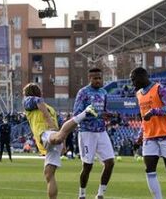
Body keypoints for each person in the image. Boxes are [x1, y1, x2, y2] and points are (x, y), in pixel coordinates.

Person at [22, 83, 97, 199]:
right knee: (49, 174)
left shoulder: (31, 101)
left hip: (46, 132)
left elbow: (37, 101)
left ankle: (85, 113)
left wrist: (51, 125)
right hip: (54, 136)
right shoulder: (51, 108)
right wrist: (64, 145)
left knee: (57, 138)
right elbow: (63, 127)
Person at [131, 67, 166, 199]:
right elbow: (144, 118)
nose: (132, 83)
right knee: (149, 171)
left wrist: (154, 112)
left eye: (133, 79)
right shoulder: (138, 94)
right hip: (149, 136)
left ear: (142, 77)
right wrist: (140, 136)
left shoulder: (159, 88)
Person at [73, 68, 115, 199]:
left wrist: (108, 115)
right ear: (89, 78)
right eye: (95, 78)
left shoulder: (103, 92)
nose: (98, 80)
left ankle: (100, 194)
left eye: (100, 78)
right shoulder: (83, 92)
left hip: (101, 131)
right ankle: (82, 194)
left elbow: (104, 110)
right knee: (87, 166)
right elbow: (76, 114)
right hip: (87, 132)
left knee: (110, 162)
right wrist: (93, 114)